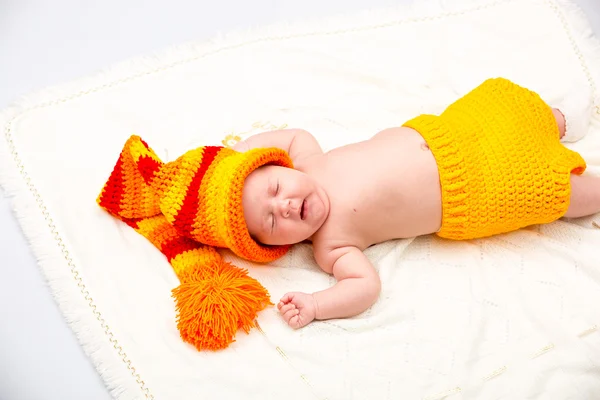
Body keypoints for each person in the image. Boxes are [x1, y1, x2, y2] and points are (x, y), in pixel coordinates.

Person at [234, 77, 600, 329]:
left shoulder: (307, 159)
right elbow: (364, 286)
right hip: (473, 192)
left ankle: (562, 121)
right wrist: (316, 305)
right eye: (270, 222)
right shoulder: (330, 245)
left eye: (277, 187)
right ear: (273, 247)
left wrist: (232, 157)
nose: (282, 205)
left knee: (507, 117)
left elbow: (292, 134)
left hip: (449, 134)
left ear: (280, 164)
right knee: (554, 193)